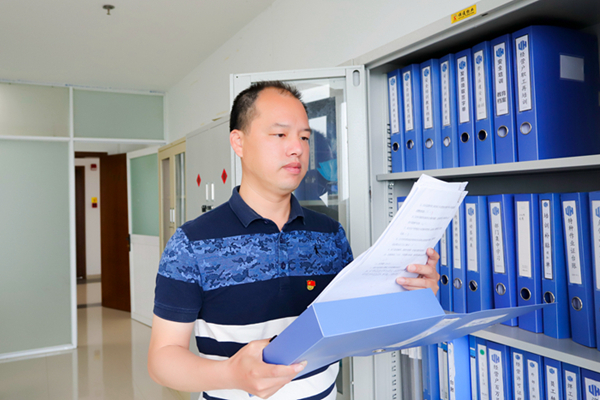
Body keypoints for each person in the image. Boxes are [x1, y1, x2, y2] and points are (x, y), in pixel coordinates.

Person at [148, 81, 440, 400]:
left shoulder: (330, 235)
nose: (297, 149)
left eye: (304, 137)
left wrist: (413, 299)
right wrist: (231, 374)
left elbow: (357, 328)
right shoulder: (192, 243)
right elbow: (162, 359)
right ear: (238, 142)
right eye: (280, 134)